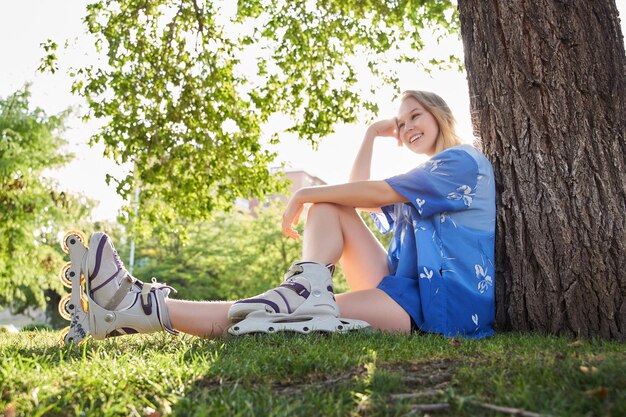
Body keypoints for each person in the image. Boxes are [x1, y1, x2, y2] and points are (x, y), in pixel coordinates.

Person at [58, 90, 496, 344]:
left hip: (434, 309)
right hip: (401, 289)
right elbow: (354, 198)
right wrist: (369, 134)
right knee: (329, 205)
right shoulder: (421, 176)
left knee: (265, 318)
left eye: (414, 116)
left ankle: (136, 307)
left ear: (440, 115)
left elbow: (376, 192)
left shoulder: (461, 162)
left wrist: (304, 190)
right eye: (399, 123)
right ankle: (304, 286)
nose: (405, 128)